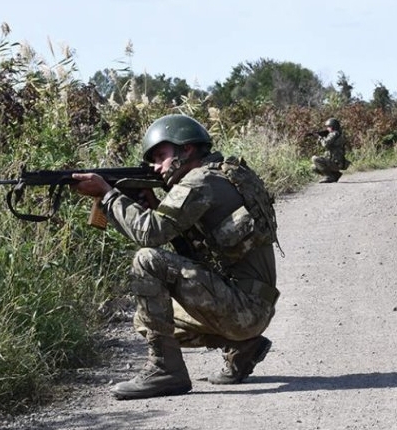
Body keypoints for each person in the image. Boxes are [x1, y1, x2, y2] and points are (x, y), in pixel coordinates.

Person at [71, 114, 280, 400]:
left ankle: (165, 371)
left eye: (160, 156)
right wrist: (154, 204)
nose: (156, 167)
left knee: (147, 260)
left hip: (243, 309)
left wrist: (107, 195)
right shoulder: (221, 174)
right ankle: (244, 347)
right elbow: (197, 249)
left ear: (187, 149)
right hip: (249, 307)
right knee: (145, 320)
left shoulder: (199, 182)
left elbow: (151, 234)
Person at [311, 117, 349, 183]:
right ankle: (335, 175)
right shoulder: (338, 134)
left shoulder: (334, 134)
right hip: (336, 162)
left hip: (335, 163)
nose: (327, 128)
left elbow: (325, 144)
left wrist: (320, 137)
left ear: (333, 127)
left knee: (314, 158)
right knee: (314, 167)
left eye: (328, 126)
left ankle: (329, 177)